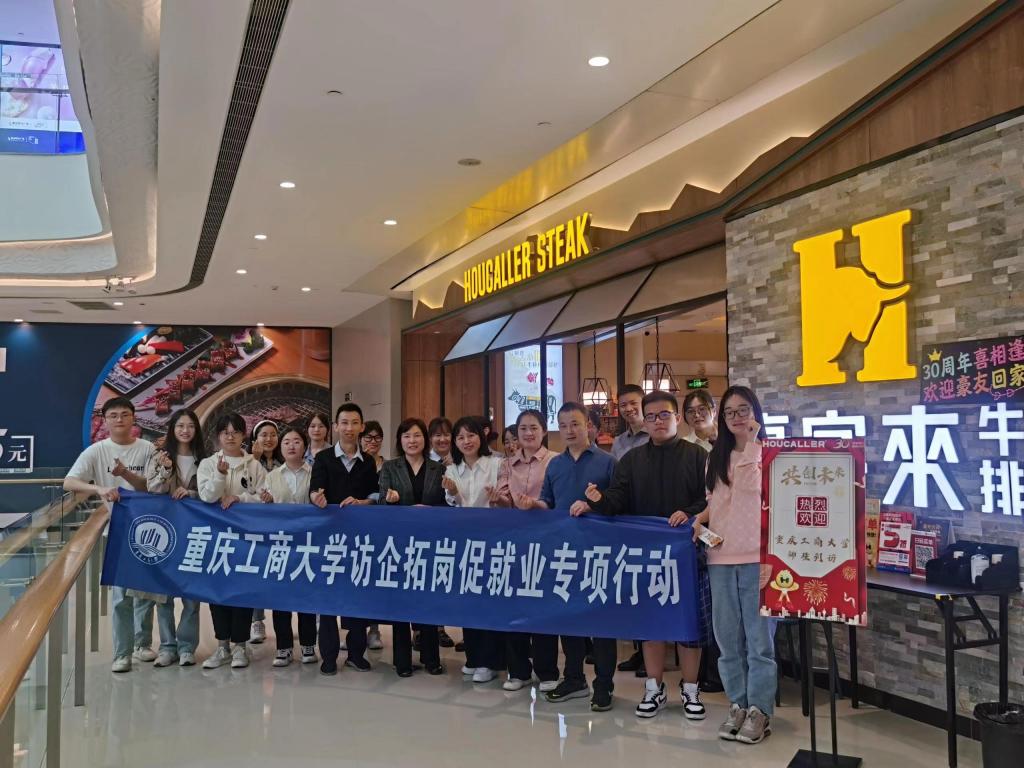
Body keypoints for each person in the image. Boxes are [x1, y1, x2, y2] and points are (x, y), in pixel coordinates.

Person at [584, 390, 711, 720]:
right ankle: (654, 688)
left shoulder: (698, 456)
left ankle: (691, 688)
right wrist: (598, 500)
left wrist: (690, 513)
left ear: (677, 418)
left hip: (688, 556)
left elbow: (710, 500)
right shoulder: (632, 460)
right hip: (647, 558)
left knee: (688, 626)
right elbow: (618, 502)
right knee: (651, 624)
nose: (657, 421)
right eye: (651, 416)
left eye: (664, 415)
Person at [699, 386, 776, 744]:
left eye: (743, 409)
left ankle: (760, 710)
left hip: (757, 559)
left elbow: (759, 494)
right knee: (727, 640)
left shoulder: (768, 454)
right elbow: (715, 502)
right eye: (730, 412)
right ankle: (737, 705)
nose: (736, 417)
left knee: (760, 642)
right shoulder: (715, 457)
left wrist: (752, 444)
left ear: (755, 412)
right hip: (719, 558)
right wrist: (698, 522)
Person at [64, 397, 155, 673]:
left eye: (124, 414)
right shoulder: (97, 451)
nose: (119, 420)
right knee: (121, 595)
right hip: (115, 532)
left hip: (146, 531)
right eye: (113, 415)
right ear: (105, 420)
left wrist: (125, 475)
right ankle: (122, 652)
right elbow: (69, 481)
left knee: (145, 591)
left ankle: (142, 643)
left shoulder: (147, 449)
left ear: (133, 418)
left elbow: (152, 488)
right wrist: (99, 489)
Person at [537, 403, 617, 711]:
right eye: (563, 425)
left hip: (599, 554)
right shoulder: (555, 465)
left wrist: (594, 503)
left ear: (589, 426)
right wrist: (530, 504)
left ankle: (604, 684)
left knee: (602, 622)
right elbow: (547, 502)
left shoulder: (608, 462)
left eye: (575, 424)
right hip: (564, 553)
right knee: (568, 617)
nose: (569, 430)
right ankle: (573, 678)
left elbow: (620, 504)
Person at [310, 403, 378, 676]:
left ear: (362, 426)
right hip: (329, 539)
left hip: (359, 540)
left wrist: (362, 502)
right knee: (328, 598)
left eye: (354, 423)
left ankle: (356, 653)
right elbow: (314, 491)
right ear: (336, 427)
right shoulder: (324, 458)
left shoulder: (368, 461)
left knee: (357, 596)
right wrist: (316, 498)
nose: (349, 428)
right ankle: (328, 656)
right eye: (344, 423)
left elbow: (374, 495)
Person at [493, 409, 559, 692]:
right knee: (515, 605)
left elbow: (557, 501)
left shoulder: (555, 461)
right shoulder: (507, 464)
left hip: (546, 542)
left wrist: (535, 505)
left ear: (543, 431)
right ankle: (518, 670)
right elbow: (506, 501)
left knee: (544, 607)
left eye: (533, 428)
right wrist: (498, 500)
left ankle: (547, 671)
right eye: (523, 429)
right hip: (515, 543)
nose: (528, 433)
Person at [377, 418, 447, 677]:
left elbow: (447, 505)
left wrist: (430, 510)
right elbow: (382, 502)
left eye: (417, 435)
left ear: (424, 439)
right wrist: (391, 500)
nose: (412, 440)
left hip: (430, 544)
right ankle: (402, 660)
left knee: (428, 601)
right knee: (401, 603)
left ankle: (431, 657)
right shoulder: (390, 467)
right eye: (406, 436)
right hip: (399, 545)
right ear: (400, 440)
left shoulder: (438, 468)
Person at [197, 413, 266, 669]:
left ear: (243, 435)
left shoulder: (255, 466)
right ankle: (222, 646)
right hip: (216, 539)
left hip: (246, 540)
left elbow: (264, 497)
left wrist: (240, 498)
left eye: (235, 432)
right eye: (225, 432)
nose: (230, 436)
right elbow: (207, 497)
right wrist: (219, 474)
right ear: (218, 436)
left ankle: (240, 647)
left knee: (242, 592)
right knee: (217, 593)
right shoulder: (208, 464)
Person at [442, 416, 503, 683]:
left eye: (471, 435)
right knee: (468, 601)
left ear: (482, 436)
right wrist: (453, 492)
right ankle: (473, 657)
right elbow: (454, 505)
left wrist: (498, 498)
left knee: (488, 603)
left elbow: (502, 501)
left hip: (492, 542)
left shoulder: (496, 464)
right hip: (464, 543)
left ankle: (490, 661)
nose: (466, 441)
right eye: (460, 437)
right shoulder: (452, 470)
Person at [144, 408, 205, 668]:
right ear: (172, 429)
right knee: (164, 595)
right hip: (165, 532)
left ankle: (187, 646)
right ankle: (167, 646)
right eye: (180, 426)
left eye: (190, 426)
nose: (185, 430)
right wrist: (166, 471)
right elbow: (153, 488)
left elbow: (211, 494)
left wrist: (190, 494)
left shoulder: (205, 459)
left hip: (194, 533)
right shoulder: (160, 456)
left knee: (192, 595)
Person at [260, 427, 318, 667]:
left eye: (296, 441)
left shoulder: (315, 473)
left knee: (306, 596)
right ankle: (283, 647)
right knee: (280, 597)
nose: (291, 445)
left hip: (307, 543)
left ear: (305, 446)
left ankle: (308, 645)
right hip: (280, 545)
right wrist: (266, 502)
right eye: (286, 442)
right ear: (280, 447)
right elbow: (264, 512)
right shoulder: (272, 476)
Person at [609, 384, 650, 676]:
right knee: (635, 587)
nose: (628, 409)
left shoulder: (656, 434)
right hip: (628, 520)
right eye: (623, 405)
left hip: (653, 518)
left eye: (633, 403)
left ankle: (655, 651)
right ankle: (640, 649)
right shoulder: (618, 442)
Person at [248, 419, 282, 643]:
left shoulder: (284, 461)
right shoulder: (247, 462)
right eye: (263, 435)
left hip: (281, 527)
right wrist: (254, 459)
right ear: (254, 439)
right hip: (256, 526)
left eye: (272, 434)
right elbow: (246, 489)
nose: (268, 439)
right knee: (256, 573)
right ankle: (257, 621)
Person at [426, 416, 457, 649]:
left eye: (447, 434)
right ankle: (425, 630)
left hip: (453, 529)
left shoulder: (460, 460)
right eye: (437, 435)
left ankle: (442, 626)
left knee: (446, 580)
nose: (442, 439)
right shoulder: (424, 461)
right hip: (429, 529)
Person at [358, 419, 387, 650]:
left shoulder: (389, 465)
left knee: (375, 580)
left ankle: (374, 630)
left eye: (377, 437)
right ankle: (355, 632)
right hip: (358, 529)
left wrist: (372, 498)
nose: (373, 441)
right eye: (368, 437)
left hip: (382, 530)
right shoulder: (356, 464)